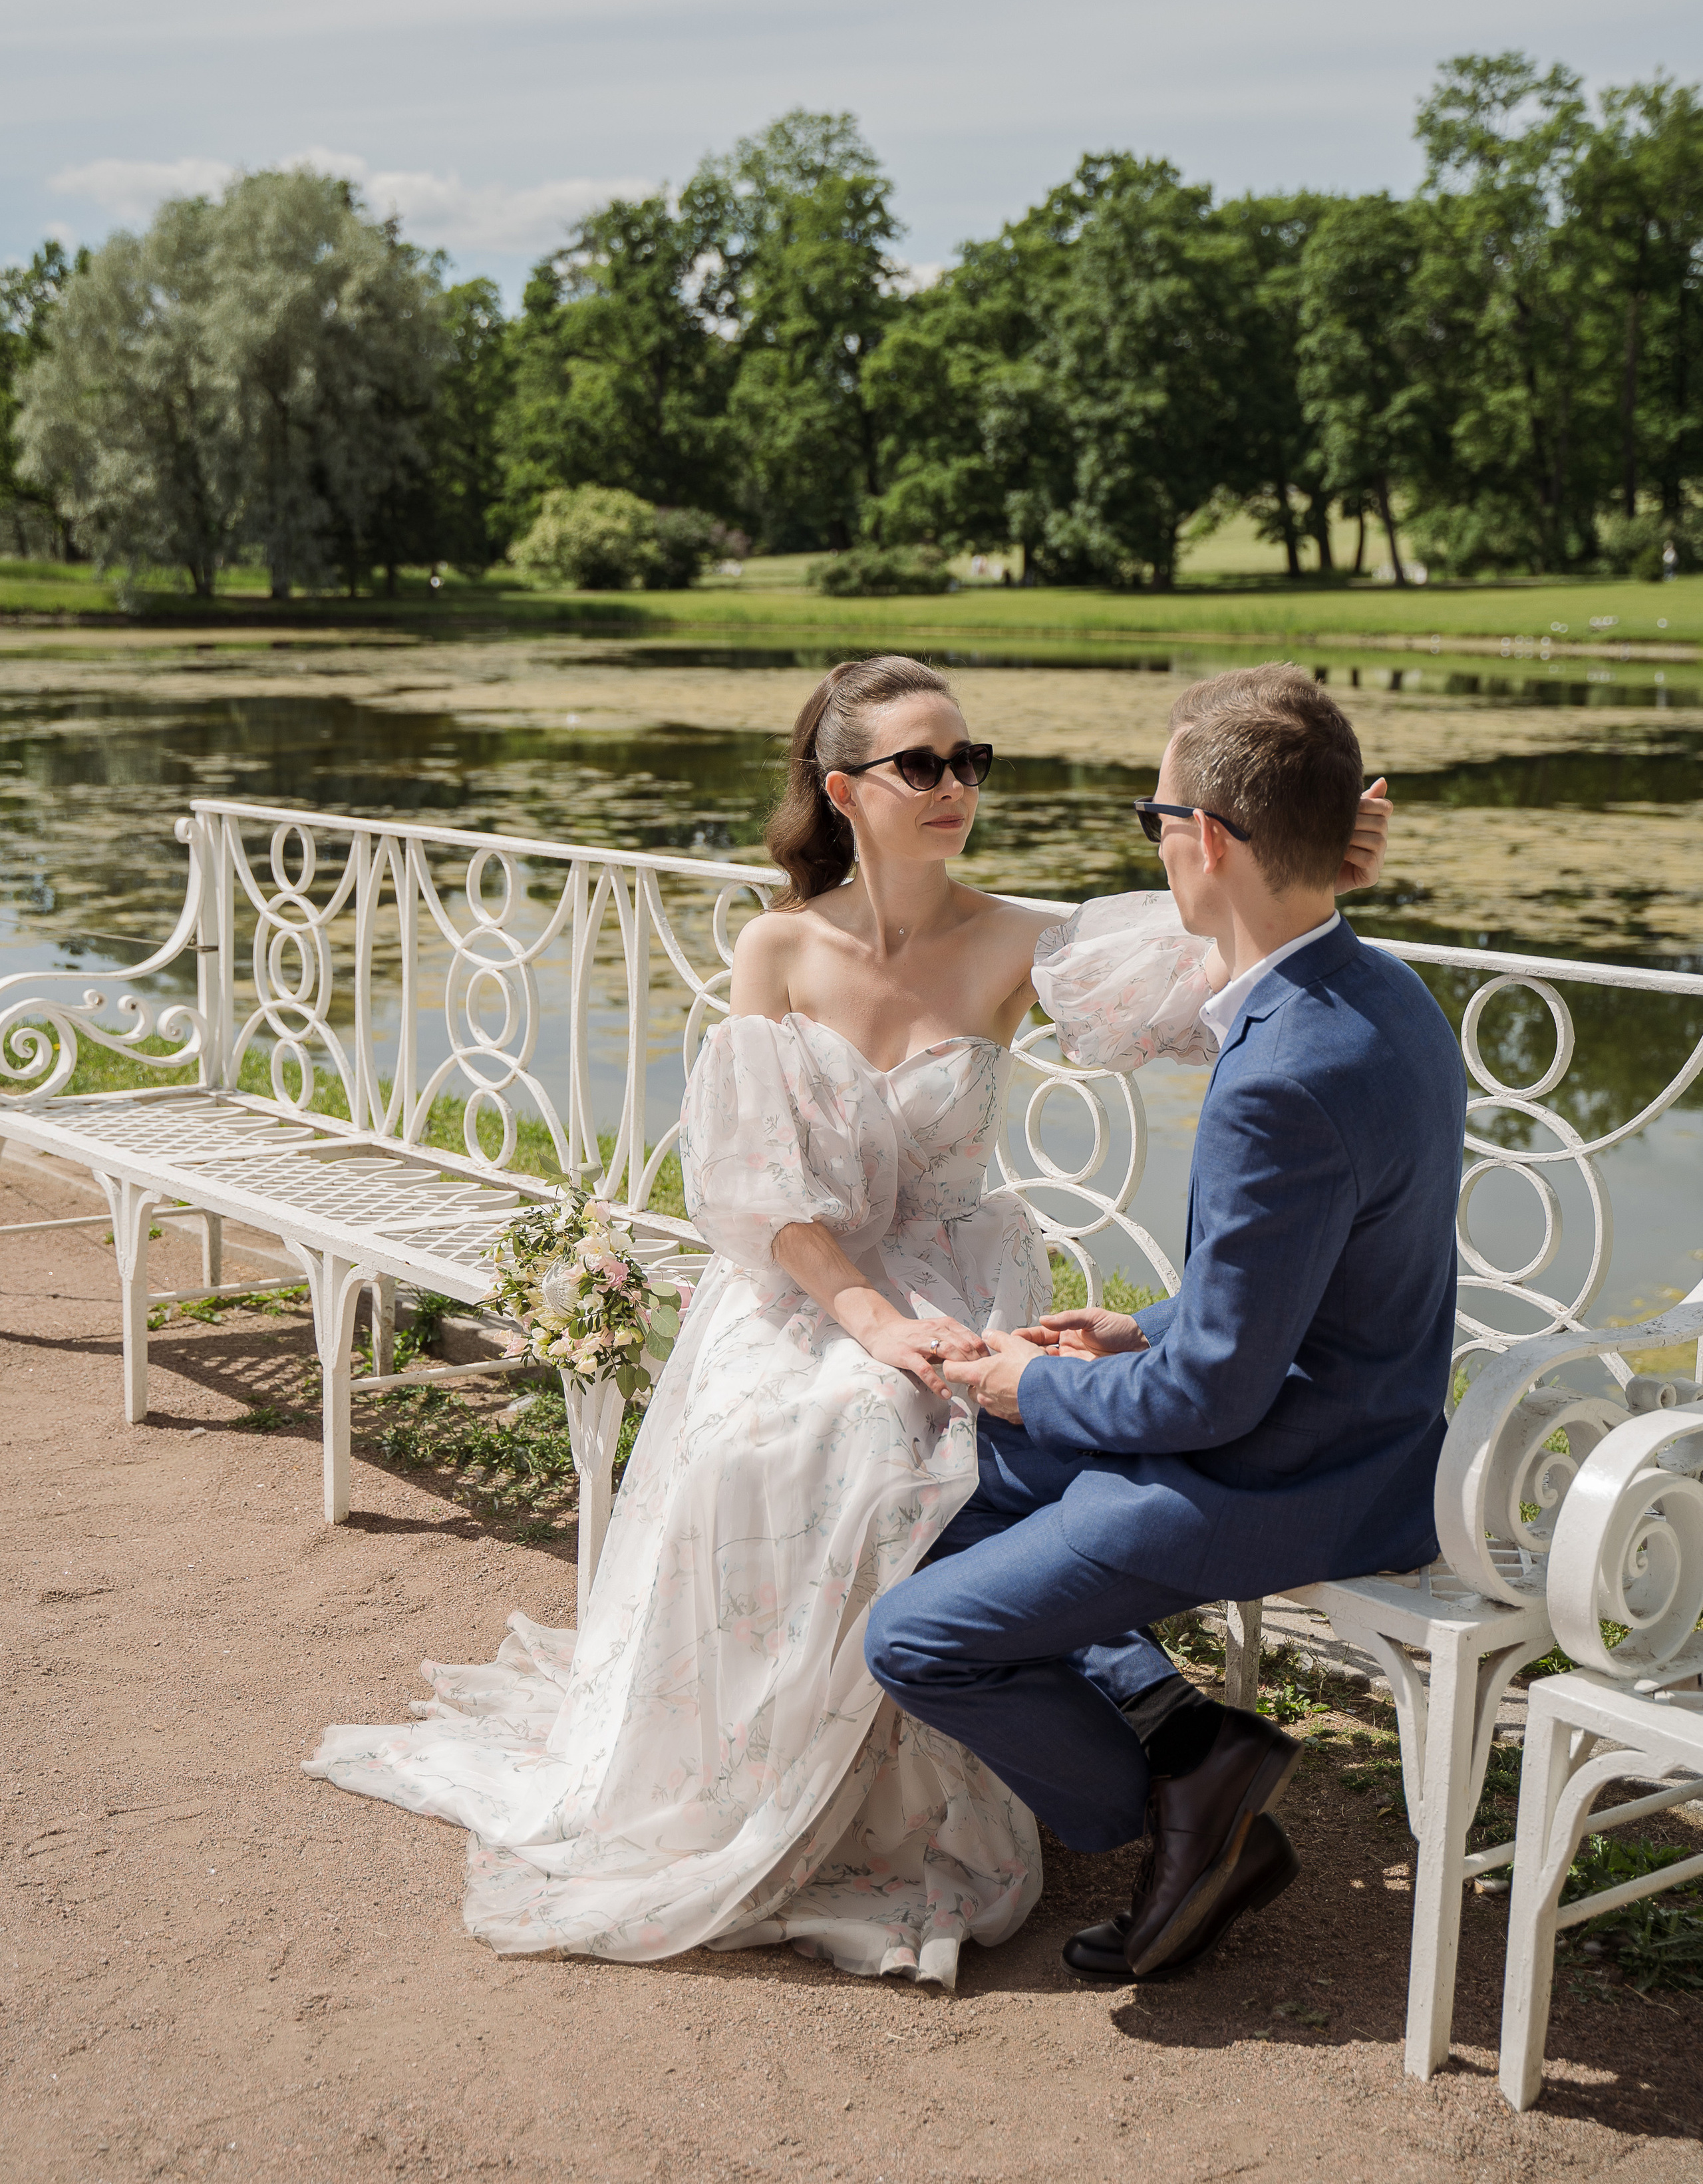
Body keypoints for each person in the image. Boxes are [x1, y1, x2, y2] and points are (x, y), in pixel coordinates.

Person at [305, 655, 1392, 1984]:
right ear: (843, 790)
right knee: (815, 1421)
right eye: (919, 766)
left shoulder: (1018, 942)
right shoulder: (776, 946)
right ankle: (1043, 1740)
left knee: (915, 1435)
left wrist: (1324, 859)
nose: (954, 788)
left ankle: (1114, 1737)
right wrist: (870, 1322)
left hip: (964, 1268)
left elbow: (1230, 940)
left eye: (968, 762)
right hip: (807, 1283)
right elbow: (763, 1194)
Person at [863, 663, 1467, 1984]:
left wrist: (1029, 1382)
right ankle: (1181, 1732)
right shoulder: (1382, 1000)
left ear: (1198, 840)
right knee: (935, 1475)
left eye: (1153, 815)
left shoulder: (1280, 1077)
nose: (1150, 839)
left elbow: (1210, 1407)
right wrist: (1140, 1327)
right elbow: (1315, 1280)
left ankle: (1171, 1813)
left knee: (910, 1636)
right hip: (1350, 1418)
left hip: (1295, 1474)